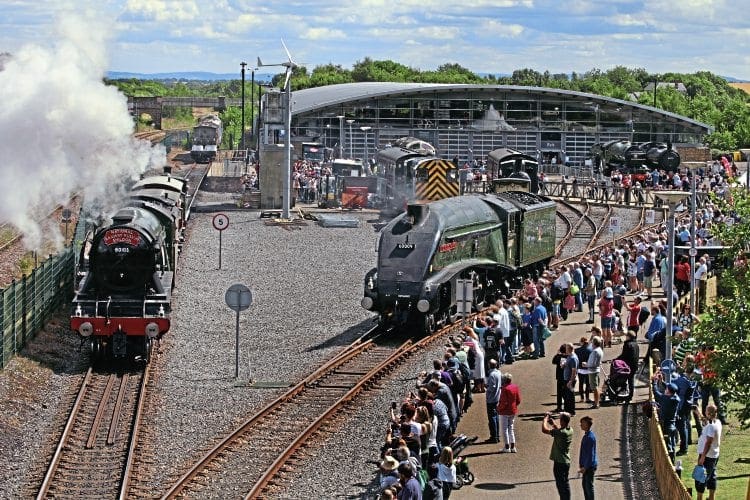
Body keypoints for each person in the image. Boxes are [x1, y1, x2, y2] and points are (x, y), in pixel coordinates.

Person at [542, 411, 573, 500]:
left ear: (563, 421)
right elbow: (559, 429)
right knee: (564, 483)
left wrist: (545, 420)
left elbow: (544, 430)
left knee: (561, 485)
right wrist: (553, 424)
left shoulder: (561, 433)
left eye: (560, 419)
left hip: (560, 462)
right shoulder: (569, 430)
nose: (559, 421)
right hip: (565, 461)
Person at [651, 370, 681, 462]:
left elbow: (656, 393)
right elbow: (669, 389)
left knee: (668, 447)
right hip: (672, 424)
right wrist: (662, 381)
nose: (665, 389)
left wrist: (655, 382)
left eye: (667, 389)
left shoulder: (666, 399)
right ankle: (672, 460)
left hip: (666, 425)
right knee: (672, 444)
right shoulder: (675, 398)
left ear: (669, 392)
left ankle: (670, 462)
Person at [695, 404, 722, 500]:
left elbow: (708, 442)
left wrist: (702, 456)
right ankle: (711, 497)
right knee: (712, 476)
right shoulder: (717, 422)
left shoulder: (711, 426)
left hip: (707, 456)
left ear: (708, 413)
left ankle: (699, 498)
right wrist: (698, 413)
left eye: (706, 410)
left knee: (701, 478)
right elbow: (706, 422)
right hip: (714, 455)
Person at [497, 372, 521, 453]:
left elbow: (504, 402)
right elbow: (518, 400)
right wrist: (514, 406)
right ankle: (513, 447)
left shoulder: (505, 388)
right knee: (511, 428)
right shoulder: (515, 387)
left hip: (505, 411)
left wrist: (499, 409)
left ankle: (507, 447)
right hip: (513, 410)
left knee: (505, 429)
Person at [615, 330, 639, 400]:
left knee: (626, 379)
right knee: (631, 380)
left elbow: (624, 355)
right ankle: (630, 394)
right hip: (634, 365)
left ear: (628, 336)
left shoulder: (627, 344)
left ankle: (627, 393)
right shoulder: (636, 344)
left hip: (628, 365)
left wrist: (616, 359)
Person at [578, 416, 598, 500]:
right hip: (587, 466)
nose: (580, 425)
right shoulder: (587, 435)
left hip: (589, 467)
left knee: (588, 487)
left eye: (582, 423)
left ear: (586, 424)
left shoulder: (589, 438)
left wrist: (585, 467)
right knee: (585, 486)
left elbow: (590, 455)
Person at [485, 359, 502, 443]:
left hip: (491, 399)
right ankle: (497, 435)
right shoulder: (499, 373)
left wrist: (486, 387)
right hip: (497, 397)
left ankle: (494, 436)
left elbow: (492, 387)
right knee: (496, 417)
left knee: (492, 418)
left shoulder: (491, 375)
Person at [583, 336, 604, 409]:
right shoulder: (599, 350)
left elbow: (593, 363)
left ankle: (596, 403)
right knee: (596, 387)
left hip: (593, 371)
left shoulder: (595, 351)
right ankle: (596, 402)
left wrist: (586, 365)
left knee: (595, 388)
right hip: (595, 370)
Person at [561, 343, 578, 415]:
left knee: (570, 396)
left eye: (566, 348)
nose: (565, 350)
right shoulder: (569, 356)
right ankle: (567, 410)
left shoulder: (573, 358)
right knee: (566, 395)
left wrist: (571, 381)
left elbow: (574, 371)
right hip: (567, 379)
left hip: (569, 380)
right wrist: (564, 364)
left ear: (569, 349)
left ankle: (571, 411)